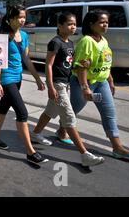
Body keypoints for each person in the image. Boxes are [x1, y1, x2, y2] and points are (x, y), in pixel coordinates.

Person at [60, 10, 129, 160]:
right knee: (73, 110)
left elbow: (106, 63)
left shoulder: (103, 40)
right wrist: (85, 87)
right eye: (101, 22)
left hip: (101, 83)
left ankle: (117, 147)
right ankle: (62, 130)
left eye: (106, 22)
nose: (105, 25)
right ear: (91, 24)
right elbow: (81, 66)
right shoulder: (86, 41)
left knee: (109, 114)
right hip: (83, 83)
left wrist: (110, 80)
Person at [31, 12, 105, 166]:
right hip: (57, 84)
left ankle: (36, 133)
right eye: (70, 24)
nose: (73, 27)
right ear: (60, 26)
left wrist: (84, 65)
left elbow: (71, 64)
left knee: (50, 112)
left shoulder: (70, 43)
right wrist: (50, 86)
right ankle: (85, 154)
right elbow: (49, 65)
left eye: (74, 24)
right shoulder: (55, 42)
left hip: (65, 83)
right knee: (69, 117)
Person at [0, 4, 48, 165]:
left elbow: (26, 59)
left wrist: (37, 78)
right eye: (19, 17)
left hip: (18, 77)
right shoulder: (2, 36)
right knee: (22, 113)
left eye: (24, 17)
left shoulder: (24, 35)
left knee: (3, 108)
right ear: (11, 19)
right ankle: (30, 152)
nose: (22, 20)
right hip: (7, 78)